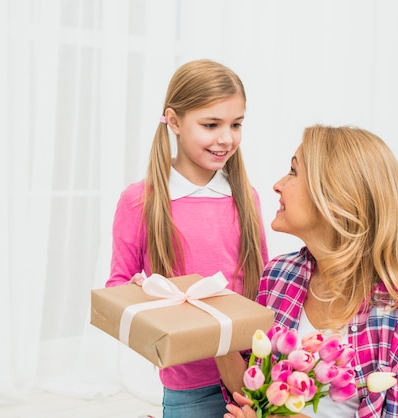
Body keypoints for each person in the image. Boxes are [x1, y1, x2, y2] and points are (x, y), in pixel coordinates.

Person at [218, 125, 398, 418]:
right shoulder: (279, 275)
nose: (278, 184)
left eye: (294, 171)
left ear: (333, 198)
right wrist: (215, 327)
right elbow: (251, 393)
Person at [105, 59, 269, 418]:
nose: (226, 138)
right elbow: (118, 286)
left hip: (253, 378)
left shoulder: (247, 197)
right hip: (187, 384)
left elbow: (264, 286)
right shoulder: (140, 200)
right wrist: (140, 292)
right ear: (174, 121)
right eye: (211, 125)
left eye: (236, 124)